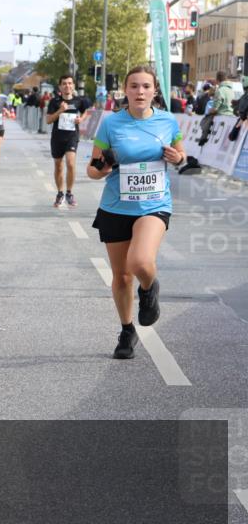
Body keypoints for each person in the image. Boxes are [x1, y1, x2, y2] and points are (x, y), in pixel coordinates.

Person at [88, 65, 185, 359]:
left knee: (140, 262)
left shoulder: (168, 121)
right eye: (134, 86)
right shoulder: (110, 124)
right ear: (125, 91)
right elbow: (93, 170)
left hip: (154, 205)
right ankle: (127, 329)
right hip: (116, 206)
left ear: (155, 90)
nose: (139, 92)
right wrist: (104, 166)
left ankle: (149, 287)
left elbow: (181, 156)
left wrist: (177, 157)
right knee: (121, 276)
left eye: (145, 86)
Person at [45, 74, 92, 208]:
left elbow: (85, 112)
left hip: (72, 136)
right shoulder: (55, 102)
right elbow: (48, 120)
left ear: (73, 86)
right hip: (57, 138)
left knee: (70, 164)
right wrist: (60, 110)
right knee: (58, 166)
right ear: (60, 86)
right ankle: (60, 193)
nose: (67, 86)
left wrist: (81, 119)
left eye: (70, 83)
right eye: (64, 83)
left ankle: (69, 193)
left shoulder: (79, 101)